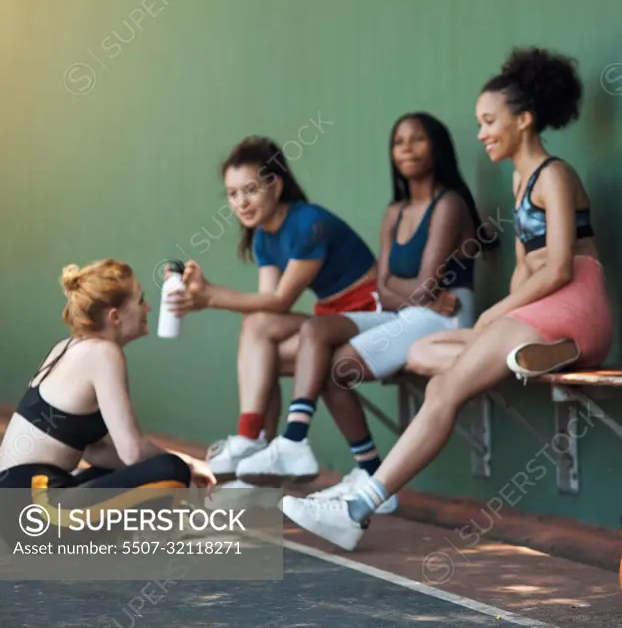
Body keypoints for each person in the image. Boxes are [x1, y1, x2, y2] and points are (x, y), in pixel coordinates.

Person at [278, 46, 613, 550]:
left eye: (488, 121)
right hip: (538, 312)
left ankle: (358, 507)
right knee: (421, 353)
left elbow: (561, 267)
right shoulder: (521, 180)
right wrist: (500, 317)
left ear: (523, 120)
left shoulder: (555, 176)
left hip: (577, 305)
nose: (480, 133)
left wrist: (499, 313)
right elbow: (526, 267)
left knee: (445, 390)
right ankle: (528, 354)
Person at [230, 112, 496, 514]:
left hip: (447, 317)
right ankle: (301, 446)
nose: (405, 148)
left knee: (331, 365)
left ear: (436, 147)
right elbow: (386, 289)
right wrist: (414, 295)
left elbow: (418, 286)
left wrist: (412, 294)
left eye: (416, 139)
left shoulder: (449, 204)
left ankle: (353, 468)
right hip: (410, 315)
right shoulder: (394, 212)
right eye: (398, 142)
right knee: (317, 333)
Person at [165, 136, 380, 485]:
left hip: (373, 318)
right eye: (232, 194)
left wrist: (211, 297)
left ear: (275, 185)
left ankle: (253, 440)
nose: (240, 202)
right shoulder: (264, 236)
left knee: (261, 339)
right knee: (261, 344)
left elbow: (279, 301)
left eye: (249, 190)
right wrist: (201, 294)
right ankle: (256, 450)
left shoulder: (310, 224)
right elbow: (268, 312)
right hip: (332, 323)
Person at [0, 259, 216, 500]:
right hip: (32, 505)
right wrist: (185, 466)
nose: (148, 308)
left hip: (24, 498)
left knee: (130, 469)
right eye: (141, 300)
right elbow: (133, 451)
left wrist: (186, 463)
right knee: (170, 470)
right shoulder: (104, 353)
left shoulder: (69, 346)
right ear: (115, 317)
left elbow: (97, 451)